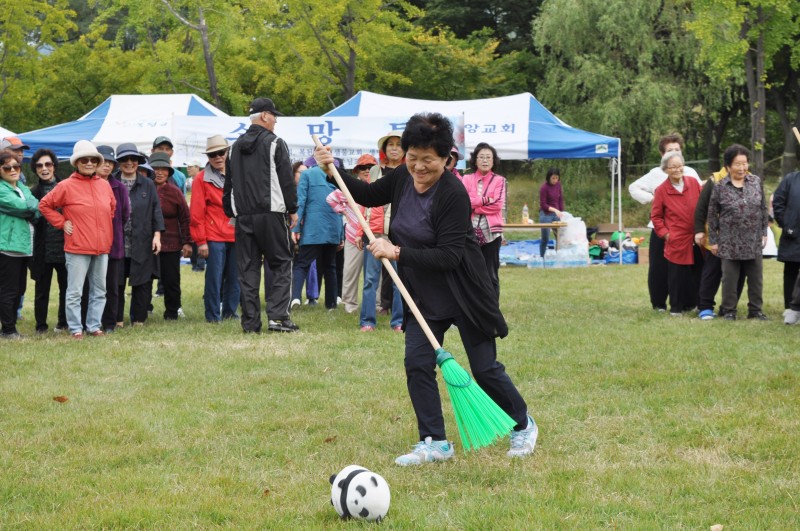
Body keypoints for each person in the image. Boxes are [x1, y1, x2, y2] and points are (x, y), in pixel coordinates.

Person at [314, 112, 538, 464]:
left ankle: (523, 424)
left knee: (483, 369)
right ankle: (435, 442)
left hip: (464, 290)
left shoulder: (452, 193)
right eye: (412, 157)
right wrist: (333, 170)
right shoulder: (403, 176)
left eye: (427, 160)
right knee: (417, 363)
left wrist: (396, 251)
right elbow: (369, 194)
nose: (418, 167)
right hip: (423, 293)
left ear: (447, 158)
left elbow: (449, 256)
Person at [223, 99, 298, 333]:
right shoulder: (276, 143)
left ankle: (250, 324)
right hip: (272, 213)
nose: (276, 120)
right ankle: (277, 318)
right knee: (281, 264)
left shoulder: (233, 148)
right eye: (274, 116)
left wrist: (231, 211)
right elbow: (286, 180)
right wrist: (292, 208)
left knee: (247, 269)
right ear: (265, 116)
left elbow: (228, 185)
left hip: (243, 217)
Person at [39, 141, 115, 339]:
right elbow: (45, 205)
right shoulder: (65, 186)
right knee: (74, 291)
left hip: (102, 248)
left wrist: (103, 230)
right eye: (84, 159)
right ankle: (75, 328)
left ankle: (93, 325)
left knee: (99, 290)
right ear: (77, 163)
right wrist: (61, 222)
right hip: (77, 247)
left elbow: (111, 209)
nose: (89, 163)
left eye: (92, 159)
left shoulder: (104, 185)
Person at [629, 133, 702, 311]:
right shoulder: (656, 173)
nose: (674, 153)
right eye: (670, 150)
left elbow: (700, 195)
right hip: (662, 229)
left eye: (677, 150)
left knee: (688, 268)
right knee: (659, 269)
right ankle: (659, 303)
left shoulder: (690, 172)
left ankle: (688, 302)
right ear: (662, 154)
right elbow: (633, 187)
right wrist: (652, 198)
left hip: (686, 230)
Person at [707, 144, 769, 321]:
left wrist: (764, 231)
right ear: (728, 166)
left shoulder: (756, 182)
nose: (742, 168)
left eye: (745, 163)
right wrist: (713, 240)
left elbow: (763, 208)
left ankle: (755, 310)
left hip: (753, 239)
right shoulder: (719, 187)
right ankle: (729, 310)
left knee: (756, 279)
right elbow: (712, 215)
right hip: (729, 241)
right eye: (737, 164)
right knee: (729, 279)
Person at [113, 143, 164, 326]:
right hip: (117, 241)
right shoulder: (110, 183)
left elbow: (156, 211)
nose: (129, 163)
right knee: (116, 281)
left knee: (142, 281)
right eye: (125, 159)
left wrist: (157, 235)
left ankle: (139, 319)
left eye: (133, 159)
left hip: (142, 239)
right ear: (118, 162)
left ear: (138, 162)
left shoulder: (148, 184)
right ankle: (117, 318)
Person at [192, 135, 239, 323]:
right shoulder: (201, 179)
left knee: (235, 278)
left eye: (221, 152)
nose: (218, 157)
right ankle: (212, 315)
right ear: (208, 157)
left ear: (227, 152)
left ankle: (230, 312)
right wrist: (201, 241)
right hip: (214, 236)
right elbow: (196, 213)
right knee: (214, 278)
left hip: (237, 235)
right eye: (213, 154)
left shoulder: (239, 174)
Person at [650, 151, 703, 315]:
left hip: (696, 236)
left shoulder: (693, 183)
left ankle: (697, 304)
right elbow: (656, 216)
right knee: (676, 275)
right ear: (665, 169)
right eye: (672, 167)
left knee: (698, 272)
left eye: (680, 166)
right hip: (677, 238)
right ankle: (676, 307)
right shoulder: (661, 190)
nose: (677, 169)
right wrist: (666, 234)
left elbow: (702, 206)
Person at [326, 154, 378, 315]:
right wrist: (345, 212)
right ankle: (350, 305)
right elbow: (331, 198)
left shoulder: (379, 188)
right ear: (357, 170)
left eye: (370, 167)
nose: (367, 170)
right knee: (350, 271)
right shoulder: (349, 188)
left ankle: (377, 305)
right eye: (363, 167)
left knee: (377, 275)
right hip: (352, 235)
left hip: (375, 235)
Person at [86, 145, 130, 334]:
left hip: (113, 243)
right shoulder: (85, 185)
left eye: (111, 162)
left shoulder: (119, 187)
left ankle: (110, 322)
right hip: (89, 242)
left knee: (112, 286)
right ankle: (87, 321)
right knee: (89, 285)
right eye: (103, 162)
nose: (107, 166)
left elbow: (125, 214)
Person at [290, 159, 342, 311]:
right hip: (333, 227)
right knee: (330, 266)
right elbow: (342, 206)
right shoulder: (336, 174)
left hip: (313, 228)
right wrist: (341, 234)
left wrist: (295, 228)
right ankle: (331, 305)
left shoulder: (307, 174)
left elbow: (301, 201)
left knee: (302, 264)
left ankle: (295, 297)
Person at [0, 149, 39, 339]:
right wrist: (29, 209)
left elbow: (35, 206)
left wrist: (30, 209)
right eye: (7, 167)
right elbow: (21, 206)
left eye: (16, 166)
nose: (13, 170)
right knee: (8, 290)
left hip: (25, 247)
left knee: (20, 289)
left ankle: (11, 326)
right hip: (7, 247)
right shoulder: (1, 189)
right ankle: (7, 329)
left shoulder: (22, 188)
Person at [29, 148, 68, 334]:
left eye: (48, 164)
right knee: (41, 290)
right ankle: (41, 326)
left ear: (54, 166)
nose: (44, 168)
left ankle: (63, 322)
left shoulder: (67, 186)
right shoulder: (33, 192)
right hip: (42, 249)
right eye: (39, 165)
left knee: (66, 288)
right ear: (35, 169)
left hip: (65, 246)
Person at [150, 152, 192, 320]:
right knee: (145, 279)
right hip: (147, 242)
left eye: (163, 169)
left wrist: (187, 242)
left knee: (171, 279)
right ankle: (144, 309)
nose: (159, 172)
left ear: (169, 171)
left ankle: (172, 312)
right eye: (155, 169)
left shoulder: (175, 192)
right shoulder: (144, 189)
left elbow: (185, 218)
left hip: (171, 243)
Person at [461, 143, 506, 298]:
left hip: (492, 234)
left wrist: (474, 205)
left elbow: (498, 205)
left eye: (488, 157)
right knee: (470, 272)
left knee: (491, 273)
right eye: (481, 157)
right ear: (475, 160)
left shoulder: (499, 180)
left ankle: (493, 309)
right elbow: (463, 202)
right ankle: (474, 308)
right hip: (469, 232)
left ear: (493, 161)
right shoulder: (466, 179)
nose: (485, 160)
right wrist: (486, 199)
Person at [372, 130, 405, 316]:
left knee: (398, 271)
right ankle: (382, 306)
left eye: (398, 144)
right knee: (375, 274)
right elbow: (366, 200)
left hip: (399, 226)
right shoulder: (376, 170)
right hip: (376, 227)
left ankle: (399, 315)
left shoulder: (408, 169)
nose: (394, 148)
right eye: (390, 144)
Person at [771, 168, 800, 320]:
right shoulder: (790, 179)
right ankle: (789, 307)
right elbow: (778, 202)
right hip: (793, 234)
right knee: (791, 271)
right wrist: (786, 224)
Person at [537, 168, 564, 258]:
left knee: (560, 237)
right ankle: (542, 257)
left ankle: (559, 257)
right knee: (545, 238)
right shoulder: (544, 188)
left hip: (557, 214)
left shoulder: (558, 185)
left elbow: (560, 199)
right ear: (548, 177)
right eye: (553, 178)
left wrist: (561, 211)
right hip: (546, 214)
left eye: (556, 178)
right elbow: (543, 205)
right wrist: (555, 210)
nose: (555, 180)